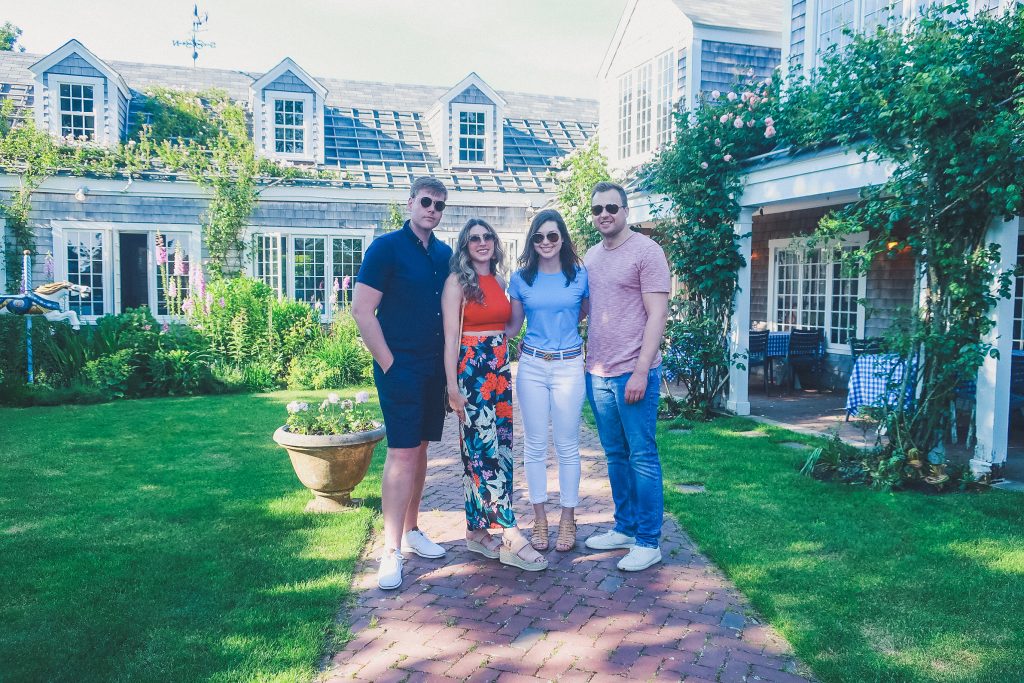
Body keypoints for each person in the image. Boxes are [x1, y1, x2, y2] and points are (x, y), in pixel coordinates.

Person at [352, 176, 452, 590]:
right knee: (402, 453)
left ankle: (411, 531)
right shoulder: (386, 248)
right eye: (426, 201)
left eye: (440, 205)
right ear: (411, 203)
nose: (432, 209)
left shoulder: (445, 254)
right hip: (401, 369)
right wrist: (390, 365)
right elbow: (361, 310)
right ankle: (389, 551)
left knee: (422, 448)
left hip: (434, 369)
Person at [442, 218, 548, 572]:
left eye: (488, 237)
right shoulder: (456, 282)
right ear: (465, 245)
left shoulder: (500, 282)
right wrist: (452, 387)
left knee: (498, 448)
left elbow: (510, 326)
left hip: (499, 371)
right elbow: (449, 340)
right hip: (472, 373)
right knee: (482, 449)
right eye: (475, 238)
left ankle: (475, 531)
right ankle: (509, 531)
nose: (482, 242)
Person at [582, 181, 671, 572]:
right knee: (615, 455)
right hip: (597, 372)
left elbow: (657, 315)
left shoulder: (647, 252)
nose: (605, 214)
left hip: (633, 373)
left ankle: (648, 541)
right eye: (598, 209)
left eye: (612, 208)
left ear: (626, 211)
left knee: (643, 456)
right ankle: (625, 527)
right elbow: (583, 309)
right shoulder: (591, 256)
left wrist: (640, 370)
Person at [505, 209, 588, 553]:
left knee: (568, 446)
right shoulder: (521, 279)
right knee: (535, 446)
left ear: (563, 239)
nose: (545, 243)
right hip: (533, 367)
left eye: (552, 236)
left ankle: (568, 519)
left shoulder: (580, 276)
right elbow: (512, 326)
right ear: (532, 241)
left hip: (569, 366)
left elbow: (582, 313)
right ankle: (539, 518)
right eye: (538, 237)